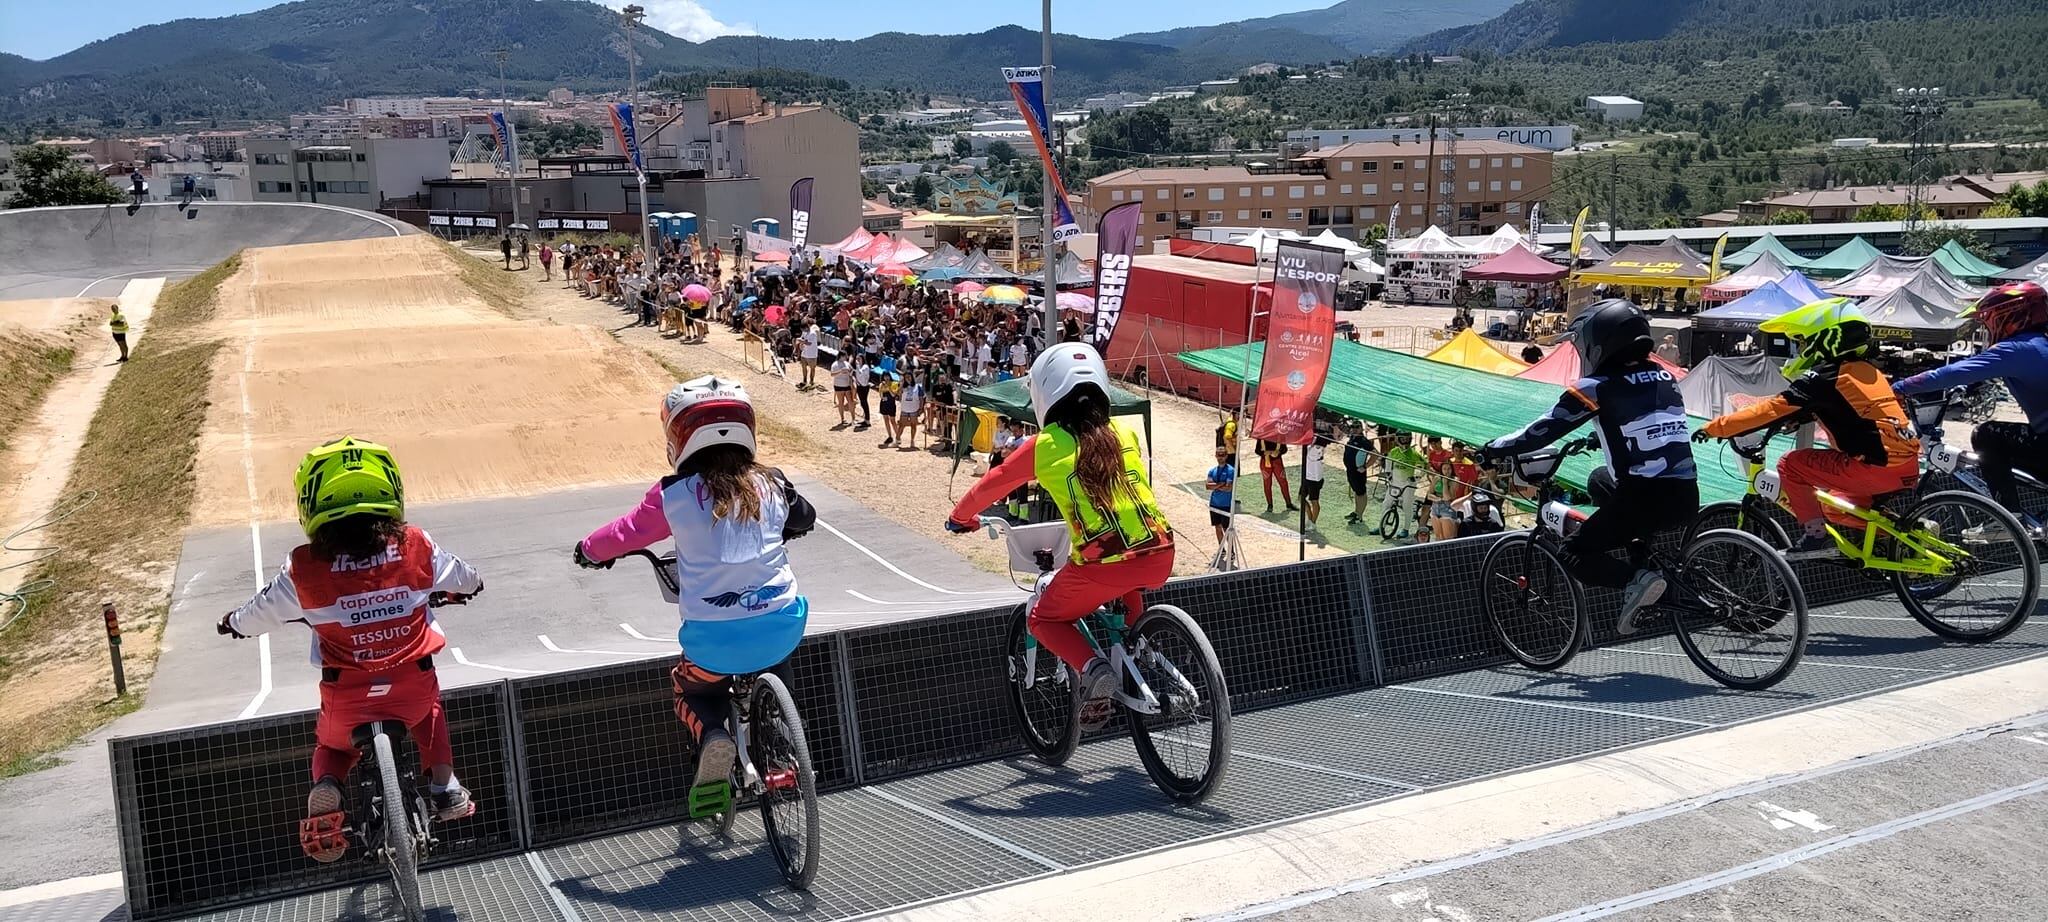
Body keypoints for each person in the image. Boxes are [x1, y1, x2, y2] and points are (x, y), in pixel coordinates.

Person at [216, 438, 483, 862]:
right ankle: (445, 787)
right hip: (410, 687)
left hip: (347, 697)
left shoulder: (302, 568)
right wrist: (465, 588)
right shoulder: (416, 544)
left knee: (335, 747)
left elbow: (258, 613)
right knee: (431, 713)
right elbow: (466, 578)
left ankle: (328, 786)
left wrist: (232, 623)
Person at [574, 377, 814, 795]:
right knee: (776, 652)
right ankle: (782, 727)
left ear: (678, 438)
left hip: (712, 641)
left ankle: (712, 735)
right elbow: (805, 518)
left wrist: (589, 550)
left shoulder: (673, 495)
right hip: (782, 625)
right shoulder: (773, 482)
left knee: (691, 688)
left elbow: (626, 532)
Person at [946, 343, 1173, 729]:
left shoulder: (1045, 446)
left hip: (1101, 566)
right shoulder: (1123, 431)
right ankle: (1135, 642)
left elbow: (991, 486)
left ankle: (1093, 667)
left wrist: (960, 518)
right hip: (1161, 552)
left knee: (1042, 619)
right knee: (1128, 569)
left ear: (1045, 393)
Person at [1478, 299, 1698, 633]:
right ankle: (1642, 556)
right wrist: (1604, 438)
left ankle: (1639, 581)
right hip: (1686, 495)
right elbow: (1650, 424)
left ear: (1599, 342)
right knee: (1598, 481)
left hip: (1643, 499)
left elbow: (1540, 432)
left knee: (1573, 552)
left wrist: (1493, 449)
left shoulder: (1596, 387)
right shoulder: (1664, 376)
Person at [1701, 299, 1919, 556]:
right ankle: (1912, 533)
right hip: (1906, 466)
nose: (1800, 349)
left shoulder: (1823, 377)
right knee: (1834, 506)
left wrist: (1716, 428)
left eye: (1803, 342)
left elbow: (1771, 410)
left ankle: (1815, 537)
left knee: (1791, 464)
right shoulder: (1866, 371)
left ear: (1824, 339)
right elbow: (1847, 410)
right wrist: (1803, 417)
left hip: (1872, 468)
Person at [1894, 281, 2048, 528]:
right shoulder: (2040, 344)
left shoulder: (2015, 349)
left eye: (1989, 321)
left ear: (2008, 316)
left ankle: (2007, 518)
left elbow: (1946, 375)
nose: (1987, 328)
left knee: (1987, 434)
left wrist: (1896, 389)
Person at [1383, 432, 1423, 541]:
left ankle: (1406, 529)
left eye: (1407, 438)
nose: (1405, 440)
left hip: (1408, 485)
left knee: (1407, 506)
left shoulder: (1415, 454)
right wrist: (1388, 474)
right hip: (1394, 482)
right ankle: (1382, 525)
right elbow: (1388, 463)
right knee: (1386, 503)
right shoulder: (1393, 452)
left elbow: (1423, 466)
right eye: (1402, 438)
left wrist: (1416, 478)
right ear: (1398, 439)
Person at [1342, 421, 1373, 525]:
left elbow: (1376, 454)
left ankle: (1360, 516)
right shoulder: (1352, 438)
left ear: (1361, 428)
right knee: (1357, 492)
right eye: (1353, 427)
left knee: (1361, 493)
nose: (1355, 429)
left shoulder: (1364, 441)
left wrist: (1365, 466)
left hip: (1358, 472)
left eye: (1357, 427)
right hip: (1350, 470)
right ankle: (1356, 512)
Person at [1205, 447, 1236, 545]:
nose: (1220, 458)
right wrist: (1221, 484)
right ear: (1216, 456)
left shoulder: (1230, 471)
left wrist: (1215, 486)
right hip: (1214, 504)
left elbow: (1229, 488)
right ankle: (1221, 548)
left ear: (1226, 456)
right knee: (1217, 527)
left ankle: (1231, 551)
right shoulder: (1212, 471)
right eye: (1218, 455)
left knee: (1226, 528)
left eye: (1222, 455)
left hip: (1226, 504)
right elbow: (1207, 486)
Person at [1255, 437, 1295, 514]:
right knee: (1267, 484)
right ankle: (1270, 505)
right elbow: (1257, 450)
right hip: (1265, 462)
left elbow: (1284, 449)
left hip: (1277, 462)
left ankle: (1288, 503)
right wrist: (1266, 453)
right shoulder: (1262, 436)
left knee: (1283, 482)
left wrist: (1278, 452)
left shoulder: (1279, 434)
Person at [1300, 430, 1326, 529]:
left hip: (1314, 478)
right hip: (1306, 475)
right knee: (1301, 498)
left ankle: (1313, 523)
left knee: (1314, 501)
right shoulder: (1310, 442)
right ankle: (1310, 519)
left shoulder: (1317, 447)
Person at [830, 352, 855, 428]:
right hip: (838, 385)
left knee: (850, 401)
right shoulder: (835, 364)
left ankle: (853, 418)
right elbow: (832, 374)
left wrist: (849, 372)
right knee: (841, 402)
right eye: (845, 356)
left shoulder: (846, 363)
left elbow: (851, 371)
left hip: (847, 384)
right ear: (841, 356)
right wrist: (841, 371)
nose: (846, 357)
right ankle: (842, 418)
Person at [798, 322, 820, 390]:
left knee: (812, 368)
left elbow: (809, 343)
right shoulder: (804, 332)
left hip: (812, 354)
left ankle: (811, 381)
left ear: (806, 327)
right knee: (803, 367)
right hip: (804, 352)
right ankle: (804, 380)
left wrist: (802, 341)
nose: (803, 331)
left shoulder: (812, 333)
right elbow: (802, 338)